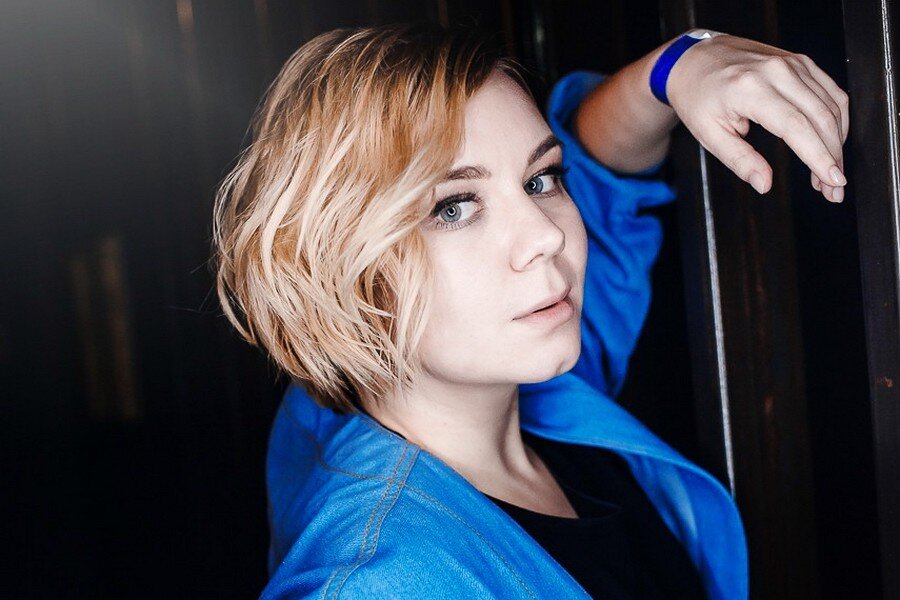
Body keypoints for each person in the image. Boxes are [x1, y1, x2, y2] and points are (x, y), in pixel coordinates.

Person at [212, 23, 848, 599]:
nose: (546, 234)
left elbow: (601, 168)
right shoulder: (375, 581)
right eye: (453, 207)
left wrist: (683, 62)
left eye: (541, 180)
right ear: (336, 262)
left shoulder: (530, 386)